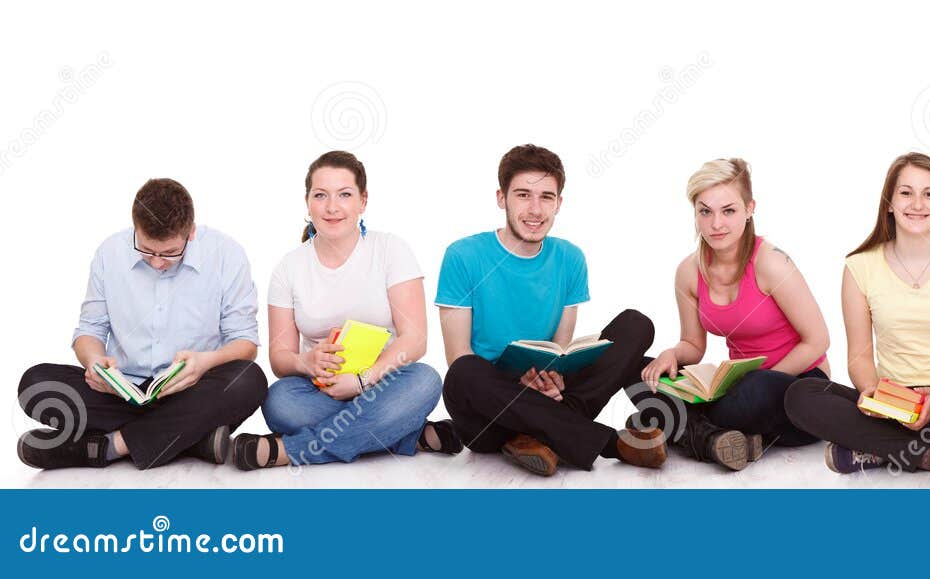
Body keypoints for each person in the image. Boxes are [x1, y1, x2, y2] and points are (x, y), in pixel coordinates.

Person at [785, 152, 930, 475]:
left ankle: (875, 451)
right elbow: (859, 355)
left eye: (929, 194)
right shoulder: (859, 266)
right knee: (800, 394)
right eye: (906, 193)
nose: (918, 204)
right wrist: (873, 394)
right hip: (891, 398)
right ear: (889, 204)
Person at [438, 144, 663, 476]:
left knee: (636, 324)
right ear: (502, 198)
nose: (535, 209)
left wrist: (554, 379)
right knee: (463, 373)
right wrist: (518, 385)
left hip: (546, 393)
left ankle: (538, 436)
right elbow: (458, 355)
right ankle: (609, 443)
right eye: (523, 195)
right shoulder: (463, 255)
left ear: (559, 203)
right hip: (489, 410)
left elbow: (560, 351)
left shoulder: (570, 258)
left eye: (546, 197)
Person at [18, 178, 267, 470]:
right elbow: (89, 331)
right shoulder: (109, 253)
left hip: (192, 391)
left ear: (192, 232)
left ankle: (108, 447)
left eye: (171, 253)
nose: (158, 262)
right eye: (147, 250)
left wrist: (204, 362)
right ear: (135, 228)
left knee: (250, 380)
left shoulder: (227, 254)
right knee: (35, 384)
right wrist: (95, 362)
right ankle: (194, 439)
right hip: (122, 393)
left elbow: (245, 343)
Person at [231, 151, 457, 470]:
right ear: (308, 202)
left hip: (385, 382)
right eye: (321, 195)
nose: (332, 207)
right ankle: (407, 434)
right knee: (278, 401)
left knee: (426, 381)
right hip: (321, 390)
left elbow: (415, 340)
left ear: (363, 201)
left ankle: (293, 451)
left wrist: (364, 381)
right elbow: (280, 359)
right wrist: (304, 363)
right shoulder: (289, 268)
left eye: (345, 195)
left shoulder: (391, 250)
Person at [631, 158, 831, 471]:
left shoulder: (772, 263)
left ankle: (672, 424)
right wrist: (671, 354)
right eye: (705, 211)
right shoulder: (688, 272)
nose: (716, 224)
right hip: (735, 387)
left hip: (794, 382)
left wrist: (765, 377)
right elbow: (693, 346)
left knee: (755, 390)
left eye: (729, 210)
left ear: (750, 209)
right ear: (694, 212)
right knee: (639, 370)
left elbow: (818, 341)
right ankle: (713, 438)